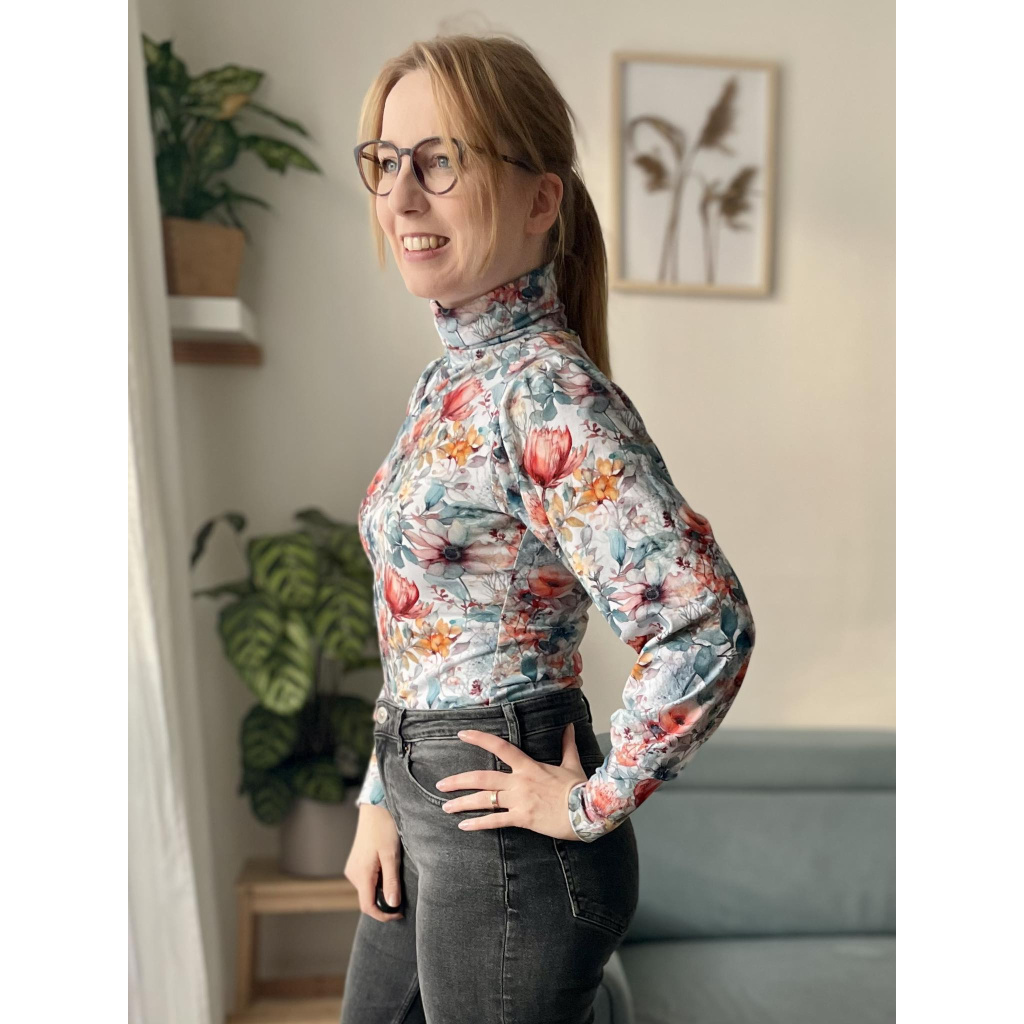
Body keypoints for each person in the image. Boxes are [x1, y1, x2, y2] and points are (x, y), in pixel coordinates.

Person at [341, 32, 756, 1024]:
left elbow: (705, 622)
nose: (402, 196)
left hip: (507, 846)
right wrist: (378, 797)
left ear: (540, 200)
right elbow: (420, 627)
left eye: (440, 161)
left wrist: (588, 802)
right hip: (424, 804)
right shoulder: (449, 384)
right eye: (386, 162)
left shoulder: (547, 396)